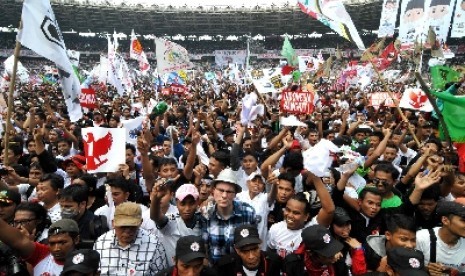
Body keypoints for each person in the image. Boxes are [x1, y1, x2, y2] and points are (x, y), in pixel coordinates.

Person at [93, 202, 168, 274]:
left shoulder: (154, 245)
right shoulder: (101, 243)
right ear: (113, 223)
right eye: (123, 227)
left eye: (132, 226)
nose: (127, 231)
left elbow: (161, 273)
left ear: (140, 222)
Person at [202, 168, 257, 264]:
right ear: (213, 191)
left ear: (235, 194)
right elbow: (204, 249)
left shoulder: (248, 213)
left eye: (229, 192)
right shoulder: (206, 214)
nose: (224, 195)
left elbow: (254, 246)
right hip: (216, 269)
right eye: (221, 190)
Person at [0, 218, 80, 275]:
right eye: (52, 243)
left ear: (76, 239)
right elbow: (16, 239)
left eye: (62, 242)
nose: (56, 248)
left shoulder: (87, 262)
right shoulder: (42, 254)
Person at [151, 183, 204, 266]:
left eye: (191, 203)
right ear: (176, 202)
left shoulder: (204, 221)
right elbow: (155, 217)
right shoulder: (171, 221)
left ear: (197, 202)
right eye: (183, 204)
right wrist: (156, 199)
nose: (187, 209)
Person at [415, 200, 465, 274]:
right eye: (464, 220)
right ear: (445, 220)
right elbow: (408, 267)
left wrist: (454, 273)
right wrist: (425, 270)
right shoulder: (421, 238)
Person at [215, 224, 282, 276]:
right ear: (237, 250)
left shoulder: (273, 263)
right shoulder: (226, 266)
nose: (251, 256)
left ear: (260, 245)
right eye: (245, 251)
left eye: (254, 249)